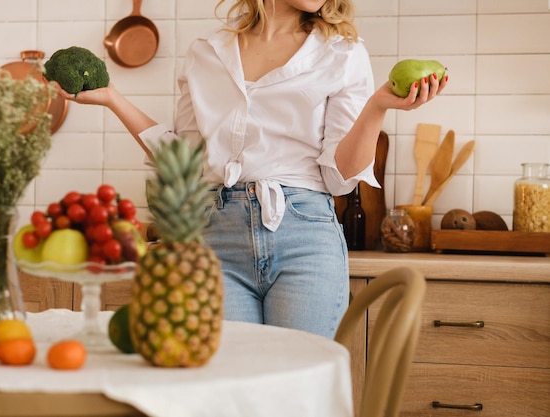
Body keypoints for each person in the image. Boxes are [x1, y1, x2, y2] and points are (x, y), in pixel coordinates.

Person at [58, 0, 447, 338]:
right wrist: (112, 99)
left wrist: (377, 106)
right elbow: (186, 162)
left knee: (295, 390)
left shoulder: (343, 53)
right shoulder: (207, 52)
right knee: (229, 388)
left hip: (304, 236)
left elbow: (339, 179)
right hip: (215, 237)